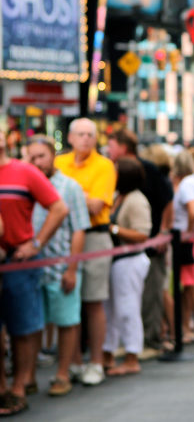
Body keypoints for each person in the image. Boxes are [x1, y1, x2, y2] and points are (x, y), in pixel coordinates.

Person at [0, 131, 68, 415]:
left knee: (24, 325)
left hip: (19, 259)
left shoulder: (24, 172)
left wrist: (36, 242)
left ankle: (20, 386)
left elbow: (58, 207)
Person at [55, 118, 116, 386]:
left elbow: (95, 206)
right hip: (64, 237)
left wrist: (68, 193)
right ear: (70, 137)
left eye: (90, 134)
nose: (86, 139)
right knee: (70, 303)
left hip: (94, 238)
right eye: (81, 134)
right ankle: (74, 363)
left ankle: (96, 362)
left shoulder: (104, 165)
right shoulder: (59, 163)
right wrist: (81, 194)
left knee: (93, 301)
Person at [27, 136, 90, 397]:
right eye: (31, 157)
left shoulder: (69, 187)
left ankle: (63, 373)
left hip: (59, 264)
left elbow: (79, 229)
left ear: (53, 155)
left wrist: (72, 268)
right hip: (29, 268)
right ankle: (27, 376)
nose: (36, 162)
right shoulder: (24, 182)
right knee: (30, 325)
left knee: (66, 321)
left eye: (41, 156)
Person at [107, 129, 174, 358]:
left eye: (112, 145)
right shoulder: (121, 187)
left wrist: (163, 232)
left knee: (152, 294)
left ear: (123, 147)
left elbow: (168, 201)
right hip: (129, 250)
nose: (108, 150)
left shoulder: (148, 171)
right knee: (132, 300)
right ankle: (133, 342)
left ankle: (151, 341)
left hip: (149, 244)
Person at [102, 157, 152, 376]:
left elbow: (142, 234)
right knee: (111, 310)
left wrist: (113, 229)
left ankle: (132, 357)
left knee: (127, 309)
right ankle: (108, 353)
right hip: (117, 261)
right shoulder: (118, 196)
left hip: (130, 261)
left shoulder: (136, 200)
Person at [171, 149, 194, 345]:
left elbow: (193, 211)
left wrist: (189, 232)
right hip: (193, 238)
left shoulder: (186, 184)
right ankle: (189, 326)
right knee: (189, 285)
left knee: (193, 285)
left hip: (189, 240)